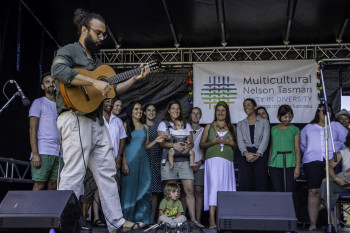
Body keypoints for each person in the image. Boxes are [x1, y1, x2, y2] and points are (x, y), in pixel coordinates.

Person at [51, 9, 149, 233]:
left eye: (104, 35)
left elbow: (112, 90)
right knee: (74, 172)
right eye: (98, 33)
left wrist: (134, 77)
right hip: (75, 117)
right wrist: (93, 83)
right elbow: (57, 70)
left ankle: (116, 222)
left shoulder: (97, 62)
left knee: (107, 172)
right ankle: (63, 224)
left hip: (96, 121)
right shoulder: (69, 51)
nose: (102, 38)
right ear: (84, 30)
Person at [300, 103, 348, 231]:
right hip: (312, 162)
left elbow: (346, 142)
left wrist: (340, 155)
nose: (325, 113)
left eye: (328, 111)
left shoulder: (336, 126)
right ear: (317, 112)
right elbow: (303, 145)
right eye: (322, 110)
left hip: (332, 162)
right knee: (313, 191)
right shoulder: (308, 128)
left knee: (332, 191)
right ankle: (313, 223)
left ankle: (335, 223)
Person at [121, 102, 164, 225]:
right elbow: (122, 146)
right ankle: (127, 219)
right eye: (136, 109)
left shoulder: (145, 127)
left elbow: (145, 146)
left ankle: (142, 219)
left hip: (143, 161)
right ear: (131, 111)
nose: (139, 111)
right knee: (129, 190)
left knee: (144, 189)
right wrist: (124, 162)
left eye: (140, 109)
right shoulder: (125, 125)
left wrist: (156, 140)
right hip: (129, 161)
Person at [157, 101, 197, 224]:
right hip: (170, 160)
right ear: (168, 110)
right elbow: (161, 143)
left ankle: (193, 220)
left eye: (178, 108)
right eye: (173, 108)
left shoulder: (186, 125)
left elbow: (191, 142)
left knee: (189, 190)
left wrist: (187, 147)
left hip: (185, 160)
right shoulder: (163, 124)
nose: (176, 110)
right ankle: (169, 220)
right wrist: (174, 144)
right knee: (171, 191)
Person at [200, 101, 237, 229]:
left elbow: (236, 146)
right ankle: (211, 219)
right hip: (213, 161)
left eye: (223, 110)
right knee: (214, 187)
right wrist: (213, 142)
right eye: (218, 110)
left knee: (226, 188)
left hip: (227, 162)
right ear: (215, 112)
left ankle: (226, 219)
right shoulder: (209, 126)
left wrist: (230, 143)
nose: (220, 113)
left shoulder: (232, 127)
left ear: (226, 113)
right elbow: (201, 145)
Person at [29, 73, 62, 191]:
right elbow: (32, 129)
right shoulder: (38, 102)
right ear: (42, 86)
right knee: (40, 184)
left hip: (58, 152)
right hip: (43, 150)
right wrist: (35, 153)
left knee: (54, 184)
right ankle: (33, 209)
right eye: (47, 82)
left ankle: (49, 210)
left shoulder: (61, 105)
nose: (51, 84)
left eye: (53, 81)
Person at [236, 98, 270, 191]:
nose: (246, 107)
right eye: (244, 105)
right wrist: (246, 153)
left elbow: (265, 139)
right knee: (245, 184)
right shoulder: (240, 124)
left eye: (249, 104)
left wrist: (258, 154)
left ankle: (260, 205)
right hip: (245, 155)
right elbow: (240, 141)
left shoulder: (264, 122)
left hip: (260, 154)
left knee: (260, 184)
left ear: (255, 107)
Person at [320, 132, 350, 227]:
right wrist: (336, 178)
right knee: (326, 184)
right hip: (345, 183)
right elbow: (328, 166)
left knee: (326, 180)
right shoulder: (343, 152)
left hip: (346, 178)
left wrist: (341, 174)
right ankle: (333, 220)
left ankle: (324, 202)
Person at [268, 105, 300, 192]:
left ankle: (289, 206)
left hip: (290, 163)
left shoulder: (295, 129)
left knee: (289, 189)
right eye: (285, 117)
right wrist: (269, 163)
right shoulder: (273, 129)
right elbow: (271, 147)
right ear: (279, 116)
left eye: (290, 116)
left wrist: (297, 167)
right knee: (277, 189)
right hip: (275, 163)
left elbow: (297, 149)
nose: (288, 119)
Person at [143, 104, 164, 223]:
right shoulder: (142, 127)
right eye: (149, 110)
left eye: (153, 110)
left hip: (157, 160)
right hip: (146, 160)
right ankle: (144, 218)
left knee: (155, 191)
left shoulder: (159, 127)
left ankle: (152, 219)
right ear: (144, 113)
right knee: (145, 191)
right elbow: (144, 146)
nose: (151, 112)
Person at [189, 107, 205, 225]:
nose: (195, 115)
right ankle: (185, 219)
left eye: (198, 114)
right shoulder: (184, 129)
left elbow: (207, 149)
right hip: (187, 164)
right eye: (193, 113)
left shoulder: (205, 130)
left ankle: (198, 221)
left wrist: (200, 162)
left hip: (200, 164)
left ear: (200, 116)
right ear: (190, 115)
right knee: (186, 192)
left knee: (198, 191)